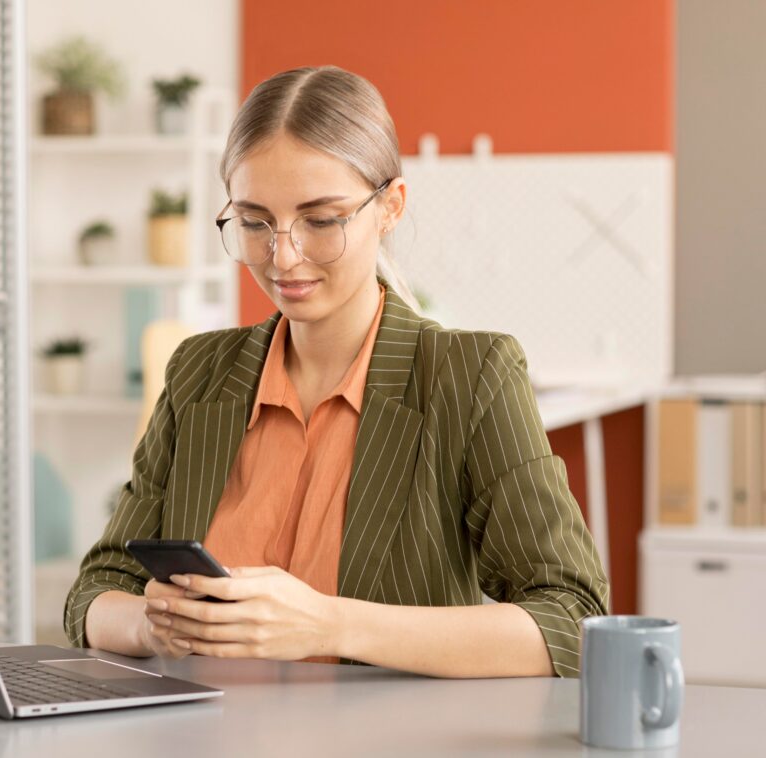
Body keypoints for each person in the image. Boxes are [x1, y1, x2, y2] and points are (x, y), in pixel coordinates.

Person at [64, 65, 609, 678]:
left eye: (321, 221)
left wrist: (328, 624)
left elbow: (572, 621)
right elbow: (95, 591)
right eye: (254, 222)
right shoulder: (199, 374)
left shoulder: (469, 375)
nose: (283, 256)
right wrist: (152, 625)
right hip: (201, 726)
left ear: (390, 207)